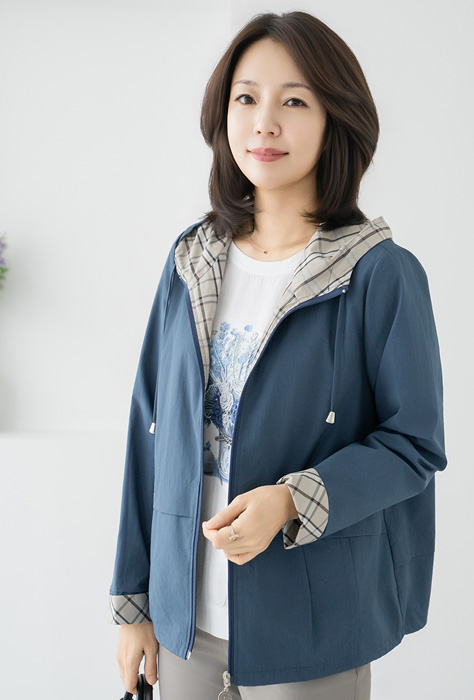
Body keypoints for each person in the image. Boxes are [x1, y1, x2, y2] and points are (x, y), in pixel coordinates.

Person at [109, 10, 447, 700]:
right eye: (247, 97)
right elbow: (150, 431)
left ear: (334, 119)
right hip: (183, 624)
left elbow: (414, 445)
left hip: (313, 627)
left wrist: (291, 501)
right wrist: (134, 601)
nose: (264, 123)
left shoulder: (380, 274)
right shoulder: (191, 261)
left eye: (294, 102)